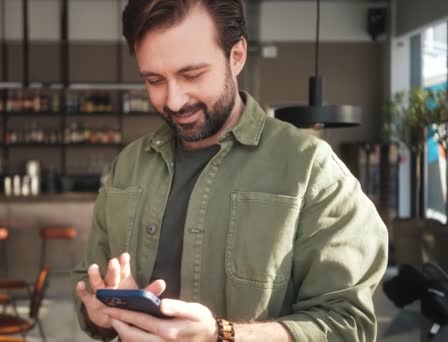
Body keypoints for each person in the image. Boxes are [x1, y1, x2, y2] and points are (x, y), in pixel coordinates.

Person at [72, 0, 388, 341]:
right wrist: (102, 312)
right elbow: (89, 290)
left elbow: (347, 325)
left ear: (236, 56)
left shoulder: (311, 168)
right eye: (154, 80)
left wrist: (222, 335)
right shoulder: (128, 166)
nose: (174, 100)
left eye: (191, 74)